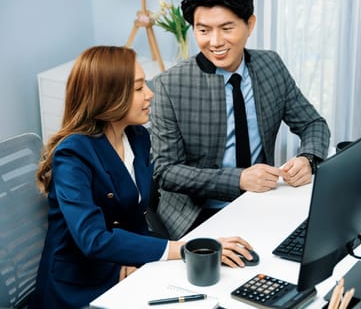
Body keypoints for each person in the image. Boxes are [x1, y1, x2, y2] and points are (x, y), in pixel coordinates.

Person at [30, 46, 256, 309]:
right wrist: (182, 249)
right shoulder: (72, 155)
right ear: (108, 96)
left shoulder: (137, 137)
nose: (150, 93)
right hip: (79, 286)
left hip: (122, 265)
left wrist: (130, 256)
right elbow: (93, 239)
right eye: (138, 89)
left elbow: (133, 215)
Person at [151, 0, 331, 239]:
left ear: (250, 24)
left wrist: (308, 159)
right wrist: (238, 179)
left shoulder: (271, 65)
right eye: (203, 30)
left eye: (226, 28)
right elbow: (165, 171)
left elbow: (312, 124)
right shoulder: (169, 85)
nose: (215, 42)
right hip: (199, 214)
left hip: (263, 200)